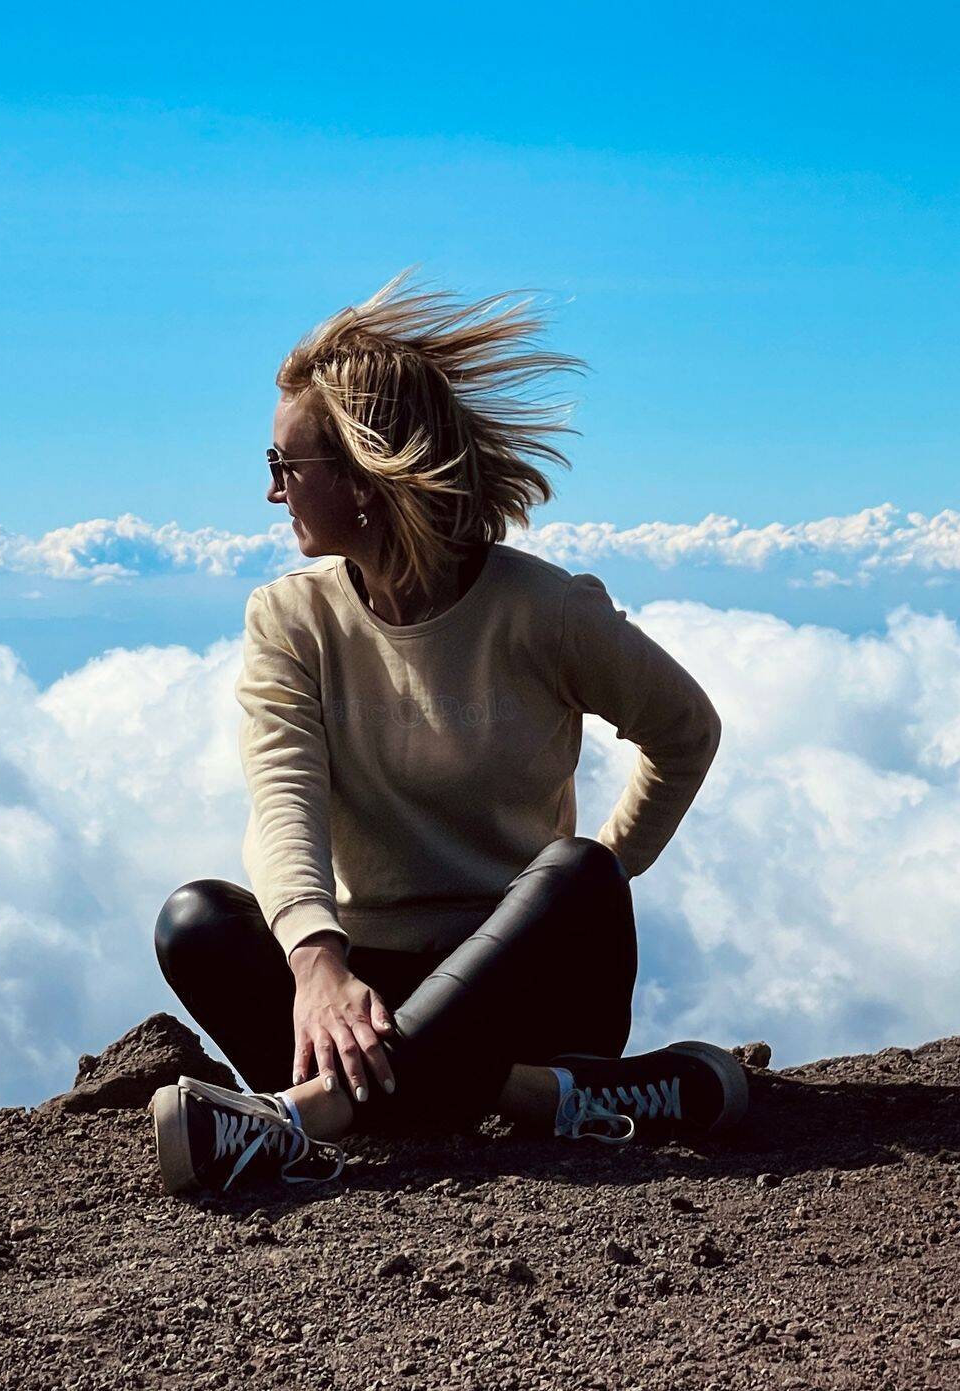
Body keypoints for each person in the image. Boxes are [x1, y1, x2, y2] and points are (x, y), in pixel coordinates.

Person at [151, 267, 742, 1196]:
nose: (273, 495)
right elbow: (283, 799)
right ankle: (535, 1099)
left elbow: (686, 731)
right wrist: (316, 962)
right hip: (363, 991)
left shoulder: (545, 612)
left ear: (364, 477)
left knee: (575, 872)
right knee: (196, 921)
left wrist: (602, 880)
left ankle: (309, 1118)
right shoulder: (290, 619)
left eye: (284, 468)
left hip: (529, 986)